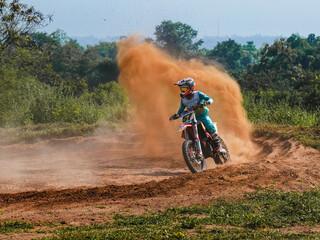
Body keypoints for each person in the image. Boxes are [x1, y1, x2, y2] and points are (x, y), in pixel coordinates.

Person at [169, 77, 226, 153]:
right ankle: (193, 148)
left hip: (203, 116)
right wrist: (176, 115)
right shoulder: (183, 100)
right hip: (191, 119)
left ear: (191, 88)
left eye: (184, 89)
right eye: (182, 89)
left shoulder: (198, 94)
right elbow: (181, 110)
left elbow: (210, 99)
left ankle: (218, 145)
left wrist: (207, 102)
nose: (183, 91)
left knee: (209, 126)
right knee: (188, 132)